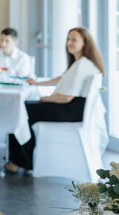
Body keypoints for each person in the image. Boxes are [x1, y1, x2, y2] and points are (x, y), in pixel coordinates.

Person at [6, 27, 105, 174]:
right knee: (26, 109)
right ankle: (24, 160)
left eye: (74, 40)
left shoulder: (82, 64)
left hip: (71, 110)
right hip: (75, 109)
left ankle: (20, 161)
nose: (69, 43)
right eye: (68, 39)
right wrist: (38, 83)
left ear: (85, 43)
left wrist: (44, 98)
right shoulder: (81, 62)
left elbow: (66, 97)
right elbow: (62, 79)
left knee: (20, 110)